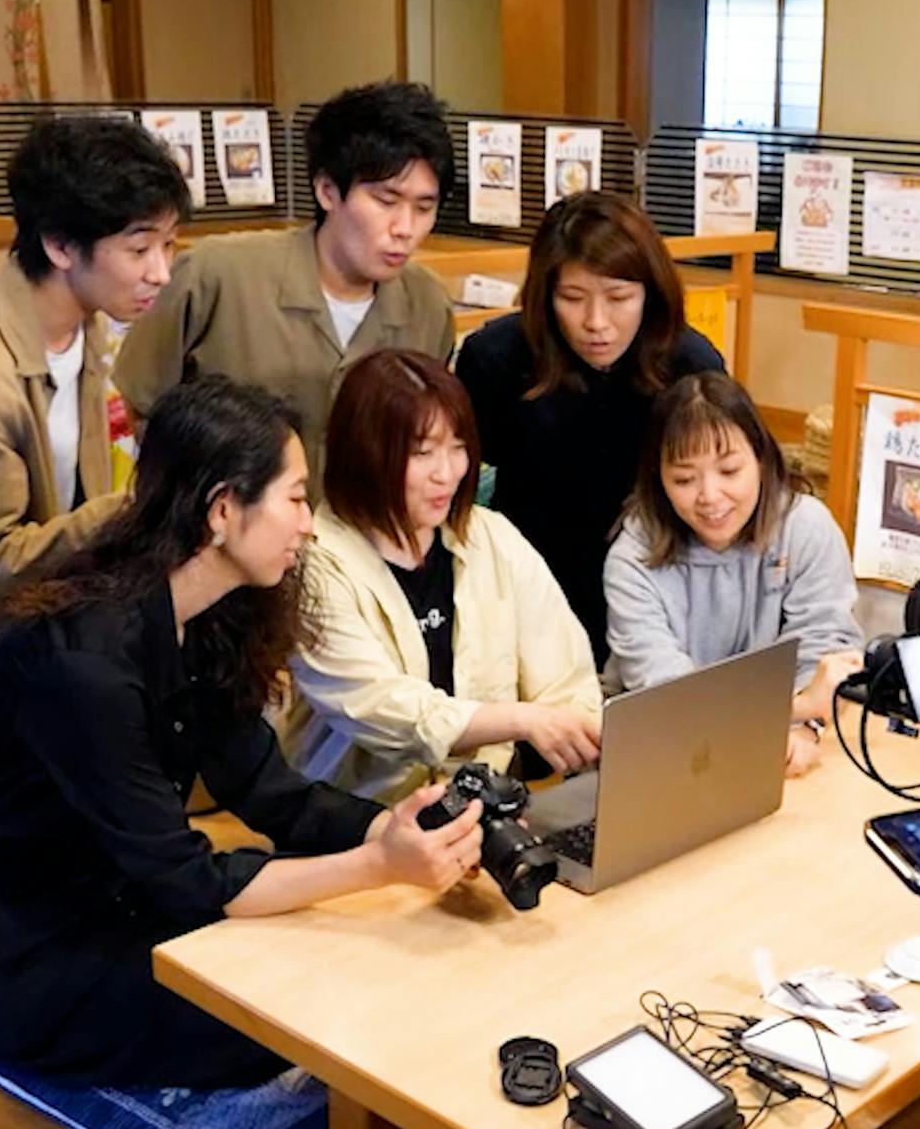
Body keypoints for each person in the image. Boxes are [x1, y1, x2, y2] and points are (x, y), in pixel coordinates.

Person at [0, 379, 486, 1089]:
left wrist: (395, 827)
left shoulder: (210, 612)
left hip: (116, 891)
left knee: (342, 966)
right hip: (12, 950)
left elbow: (275, 797)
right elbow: (189, 880)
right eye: (296, 497)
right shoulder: (87, 667)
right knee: (284, 1024)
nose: (308, 523)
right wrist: (378, 866)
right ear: (221, 510)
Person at [0, 114, 188, 748]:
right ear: (60, 246)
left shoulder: (88, 328)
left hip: (46, 644)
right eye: (138, 249)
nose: (160, 270)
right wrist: (134, 510)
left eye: (169, 245)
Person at [283, 348, 602, 800]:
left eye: (458, 447)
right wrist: (522, 719)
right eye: (422, 452)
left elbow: (566, 679)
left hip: (484, 816)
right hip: (356, 823)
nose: (447, 473)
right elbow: (381, 708)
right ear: (365, 452)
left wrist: (578, 729)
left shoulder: (491, 537)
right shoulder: (314, 561)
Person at [114, 80, 457, 487]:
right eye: (386, 201)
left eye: (424, 207)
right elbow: (139, 403)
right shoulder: (216, 275)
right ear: (328, 191)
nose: (405, 228)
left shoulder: (429, 306)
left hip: (356, 540)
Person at [455, 191, 726, 663]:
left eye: (619, 297)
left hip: (654, 586)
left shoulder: (690, 366)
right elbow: (457, 479)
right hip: (527, 587)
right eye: (572, 298)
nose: (596, 323)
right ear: (545, 295)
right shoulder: (495, 359)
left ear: (651, 292)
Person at [603, 371, 861, 778]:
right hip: (662, 752)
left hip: (784, 743)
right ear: (659, 480)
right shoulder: (634, 556)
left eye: (729, 471)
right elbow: (667, 693)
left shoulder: (805, 527)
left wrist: (805, 726)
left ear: (760, 458)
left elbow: (825, 645)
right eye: (685, 479)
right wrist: (795, 708)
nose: (709, 496)